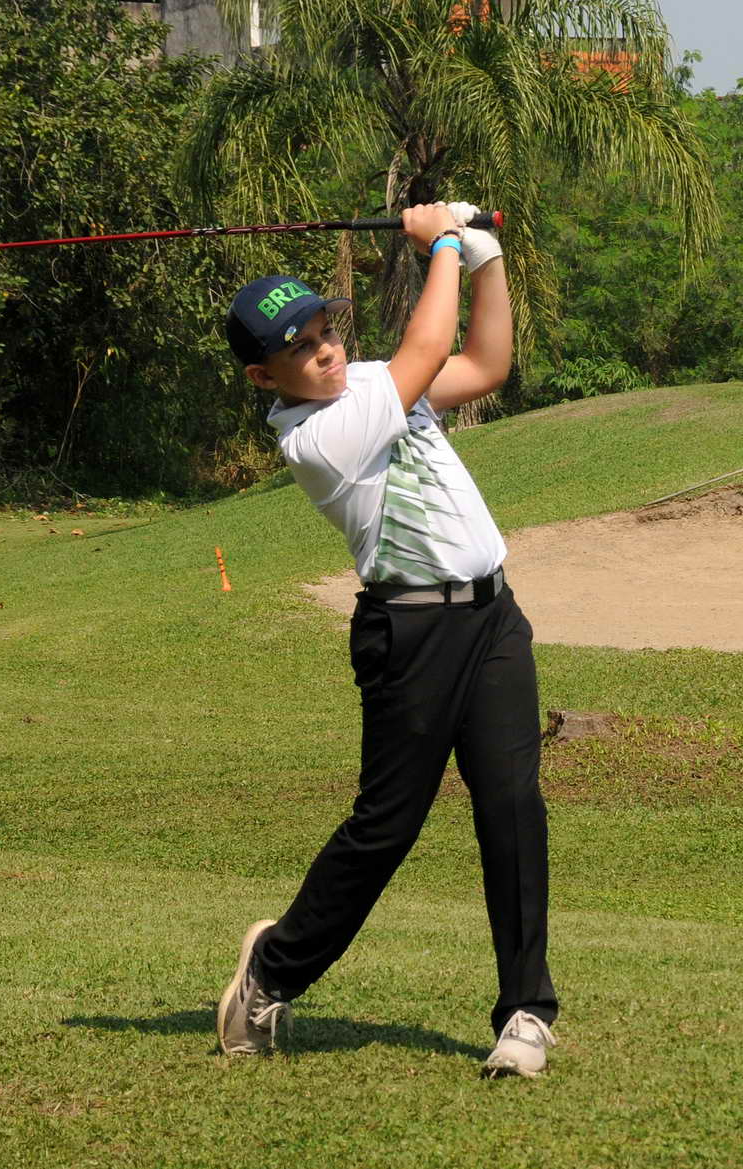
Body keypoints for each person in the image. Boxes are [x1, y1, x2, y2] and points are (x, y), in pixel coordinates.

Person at [214, 202, 558, 1078]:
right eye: (302, 347)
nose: (326, 350)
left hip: (492, 616)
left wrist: (485, 259)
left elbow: (483, 363)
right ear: (263, 375)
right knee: (388, 826)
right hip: (411, 633)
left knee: (512, 804)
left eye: (325, 331)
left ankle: (525, 1011)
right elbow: (429, 347)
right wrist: (439, 241)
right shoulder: (318, 438)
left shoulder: (369, 382)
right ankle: (272, 969)